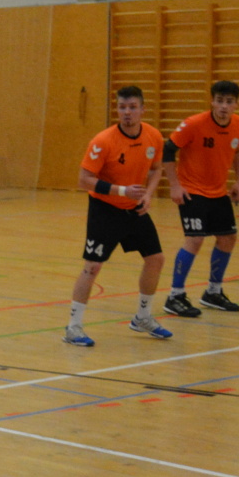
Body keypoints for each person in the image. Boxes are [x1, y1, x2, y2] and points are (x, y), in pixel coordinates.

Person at [66, 86, 172, 346]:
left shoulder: (154, 137)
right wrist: (121, 190)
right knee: (93, 267)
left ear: (142, 109)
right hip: (105, 209)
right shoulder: (103, 141)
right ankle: (73, 328)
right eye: (122, 107)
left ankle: (142, 317)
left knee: (156, 259)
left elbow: (157, 169)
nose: (127, 112)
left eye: (133, 107)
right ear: (117, 110)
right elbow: (84, 180)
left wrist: (148, 194)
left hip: (134, 208)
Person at [161, 80, 239, 317]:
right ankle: (175, 296)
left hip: (218, 191)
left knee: (228, 238)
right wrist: (175, 186)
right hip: (192, 190)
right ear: (212, 101)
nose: (223, 106)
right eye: (219, 101)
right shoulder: (194, 124)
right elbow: (167, 150)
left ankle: (213, 292)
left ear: (236, 104)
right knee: (195, 240)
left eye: (229, 102)